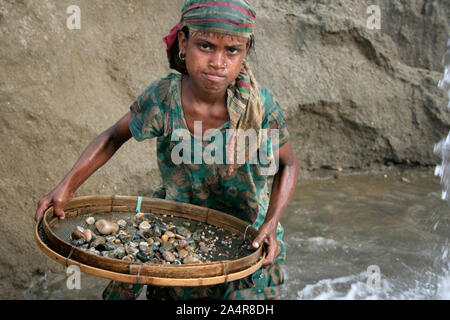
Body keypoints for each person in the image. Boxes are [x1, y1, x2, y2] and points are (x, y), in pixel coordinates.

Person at [35, 0, 299, 300]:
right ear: (184, 43)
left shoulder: (261, 106)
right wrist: (66, 187)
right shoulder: (164, 98)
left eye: (231, 51)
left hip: (249, 235)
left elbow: (288, 165)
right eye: (206, 46)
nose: (218, 62)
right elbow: (112, 137)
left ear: (245, 52)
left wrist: (271, 222)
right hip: (178, 229)